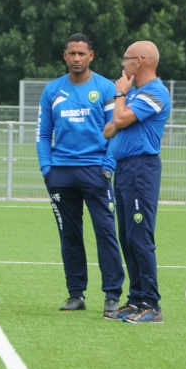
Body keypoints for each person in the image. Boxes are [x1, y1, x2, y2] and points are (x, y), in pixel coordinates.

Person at [36, 33, 124, 315]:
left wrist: (108, 166)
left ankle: (112, 295)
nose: (76, 58)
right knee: (69, 235)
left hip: (96, 171)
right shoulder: (52, 90)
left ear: (91, 56)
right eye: (71, 53)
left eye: (81, 54)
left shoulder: (106, 88)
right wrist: (47, 169)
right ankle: (76, 294)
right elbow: (43, 134)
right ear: (65, 56)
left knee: (106, 232)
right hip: (60, 173)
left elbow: (116, 129)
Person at [102, 40, 170, 323]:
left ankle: (152, 304)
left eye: (126, 59)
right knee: (128, 237)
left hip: (142, 170)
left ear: (139, 61)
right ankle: (136, 299)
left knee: (140, 237)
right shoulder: (134, 95)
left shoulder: (154, 92)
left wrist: (120, 93)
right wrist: (121, 111)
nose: (122, 64)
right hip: (125, 169)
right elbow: (109, 130)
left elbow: (117, 119)